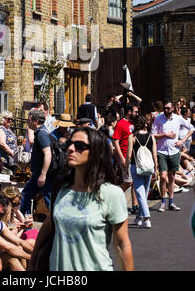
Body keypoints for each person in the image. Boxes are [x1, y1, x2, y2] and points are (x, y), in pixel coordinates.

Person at [29, 127, 134, 271]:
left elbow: (122, 245)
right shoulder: (61, 188)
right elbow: (48, 226)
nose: (71, 149)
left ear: (96, 153)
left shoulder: (112, 194)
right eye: (69, 144)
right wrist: (32, 263)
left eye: (79, 146)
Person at [125, 116, 158, 229]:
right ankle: (139, 218)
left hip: (136, 167)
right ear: (145, 125)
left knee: (140, 193)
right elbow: (154, 154)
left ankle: (146, 218)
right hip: (149, 167)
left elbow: (129, 155)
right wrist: (156, 168)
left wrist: (125, 168)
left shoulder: (132, 137)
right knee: (143, 194)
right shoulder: (151, 137)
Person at [151, 100, 182, 212]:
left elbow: (191, 128)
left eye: (168, 108)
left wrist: (182, 140)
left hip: (174, 151)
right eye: (164, 108)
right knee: (163, 176)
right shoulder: (158, 119)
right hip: (161, 151)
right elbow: (153, 135)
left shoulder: (178, 118)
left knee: (172, 177)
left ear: (173, 108)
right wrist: (165, 135)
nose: (165, 110)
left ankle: (171, 202)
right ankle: (163, 202)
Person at [20, 110, 53, 214]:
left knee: (48, 199)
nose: (27, 122)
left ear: (36, 121)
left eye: (29, 120)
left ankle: (57, 222)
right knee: (26, 195)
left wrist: (43, 175)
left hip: (42, 174)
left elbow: (48, 154)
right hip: (38, 174)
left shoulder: (42, 134)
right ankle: (26, 222)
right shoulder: (39, 133)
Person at [112, 104, 139, 214]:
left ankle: (135, 206)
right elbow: (116, 141)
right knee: (128, 182)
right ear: (129, 112)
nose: (137, 114)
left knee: (135, 182)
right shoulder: (121, 123)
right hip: (125, 157)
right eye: (135, 111)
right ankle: (113, 197)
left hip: (135, 158)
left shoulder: (134, 123)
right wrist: (122, 158)